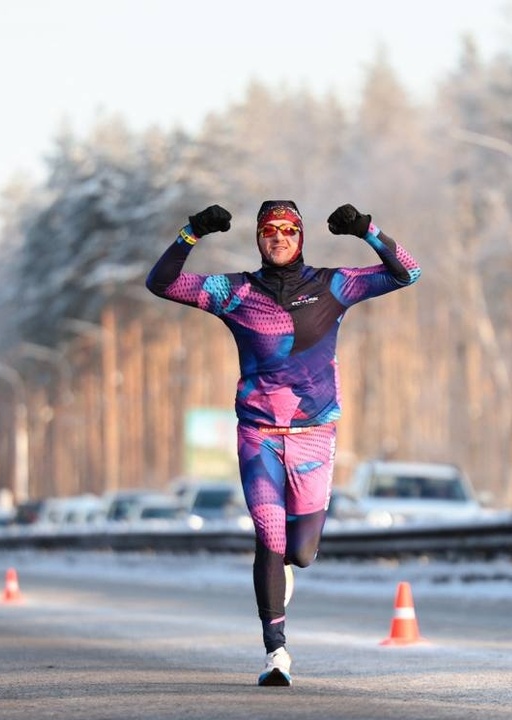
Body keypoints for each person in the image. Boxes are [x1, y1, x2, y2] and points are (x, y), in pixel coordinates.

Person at [146, 200, 421, 685]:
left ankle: (284, 569)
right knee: (270, 536)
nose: (279, 237)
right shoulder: (235, 291)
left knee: (302, 552)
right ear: (258, 238)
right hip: (259, 436)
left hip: (314, 436)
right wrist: (192, 232)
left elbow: (408, 273)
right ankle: (276, 651)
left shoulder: (332, 285)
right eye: (269, 230)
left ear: (300, 237)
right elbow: (161, 283)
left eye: (288, 230)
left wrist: (367, 230)